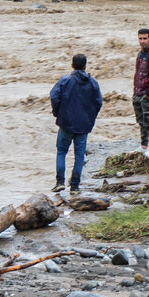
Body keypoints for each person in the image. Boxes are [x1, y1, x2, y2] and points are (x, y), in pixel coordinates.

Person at [49, 53, 103, 195]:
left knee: (61, 152)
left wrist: (57, 112)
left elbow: (54, 96)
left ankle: (60, 182)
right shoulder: (93, 82)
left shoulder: (65, 80)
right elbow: (99, 102)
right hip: (84, 124)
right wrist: (91, 117)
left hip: (66, 123)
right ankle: (74, 186)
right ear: (85, 66)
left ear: (72, 65)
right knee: (79, 155)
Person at [132, 28, 149, 156]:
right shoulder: (140, 54)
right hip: (137, 91)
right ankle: (143, 145)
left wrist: (148, 93)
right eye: (140, 38)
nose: (142, 41)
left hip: (146, 94)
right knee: (141, 121)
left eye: (145, 38)